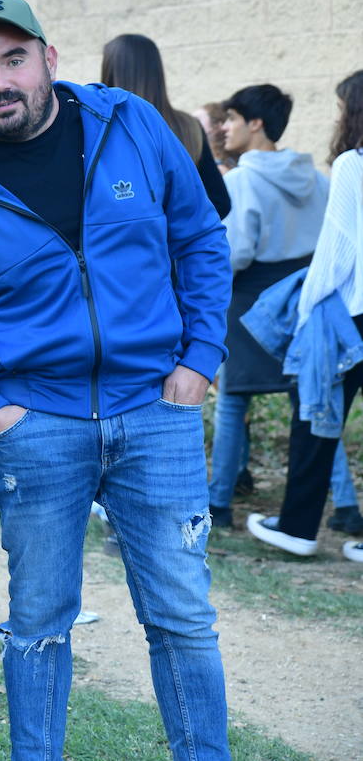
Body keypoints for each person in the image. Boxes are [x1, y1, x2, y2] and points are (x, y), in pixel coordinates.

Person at [0, 0, 231, 760]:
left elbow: (200, 241)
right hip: (36, 426)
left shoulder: (130, 126)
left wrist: (198, 360)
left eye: (14, 59)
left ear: (49, 59)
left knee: (182, 618)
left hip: (155, 410)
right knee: (38, 626)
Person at [247, 70, 363, 560]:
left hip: (353, 314)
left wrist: (305, 304)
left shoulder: (353, 166)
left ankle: (297, 526)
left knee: (314, 413)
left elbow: (337, 251)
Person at [205, 84, 328, 528]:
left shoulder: (239, 181)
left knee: (234, 402)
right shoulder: (318, 178)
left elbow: (233, 256)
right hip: (305, 304)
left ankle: (218, 505)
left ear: (256, 124)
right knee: (314, 403)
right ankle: (347, 507)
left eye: (232, 119)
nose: (223, 127)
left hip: (251, 308)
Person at [100, 34, 231, 218]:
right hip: (176, 244)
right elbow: (219, 202)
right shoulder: (189, 127)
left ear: (110, 70)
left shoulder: (98, 127)